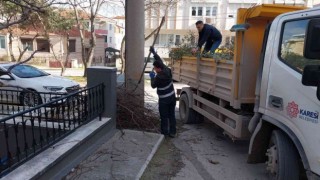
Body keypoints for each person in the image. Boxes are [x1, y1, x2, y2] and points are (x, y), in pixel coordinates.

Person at [149, 46, 176, 138]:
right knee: (172, 115)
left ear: (158, 69)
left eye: (155, 68)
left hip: (164, 100)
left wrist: (152, 77)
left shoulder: (159, 77)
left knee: (164, 117)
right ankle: (173, 132)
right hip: (172, 98)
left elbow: (153, 86)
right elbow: (159, 60)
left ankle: (165, 133)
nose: (154, 69)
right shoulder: (166, 70)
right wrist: (154, 53)